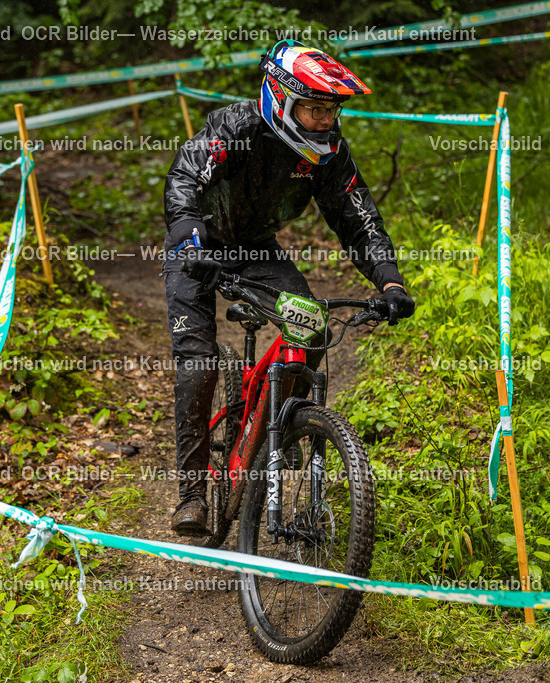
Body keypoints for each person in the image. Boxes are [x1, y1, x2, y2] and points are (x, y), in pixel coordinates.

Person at [162, 40, 416, 536]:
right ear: (281, 99)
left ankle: (278, 421)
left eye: (330, 110)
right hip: (198, 245)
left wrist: (389, 281)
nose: (324, 120)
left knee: (313, 326)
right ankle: (192, 493)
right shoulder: (234, 127)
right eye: (314, 108)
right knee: (199, 362)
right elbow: (184, 177)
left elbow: (358, 219)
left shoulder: (329, 154)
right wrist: (190, 243)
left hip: (256, 248)